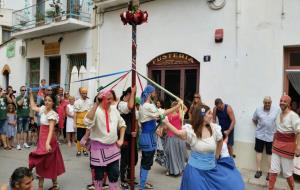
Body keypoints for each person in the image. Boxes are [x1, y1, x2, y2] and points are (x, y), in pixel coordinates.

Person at [163, 104, 244, 190]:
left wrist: (217, 155)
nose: (212, 115)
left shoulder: (214, 128)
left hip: (211, 170)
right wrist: (167, 123)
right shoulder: (191, 130)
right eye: (209, 113)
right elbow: (179, 133)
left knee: (232, 183)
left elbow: (220, 140)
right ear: (202, 116)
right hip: (194, 172)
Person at [138, 85, 181, 190]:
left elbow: (158, 115)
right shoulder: (147, 106)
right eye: (154, 92)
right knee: (146, 161)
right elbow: (161, 113)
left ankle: (142, 183)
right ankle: (142, 185)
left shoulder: (145, 105)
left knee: (146, 161)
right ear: (150, 93)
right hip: (148, 137)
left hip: (148, 136)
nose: (155, 94)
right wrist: (177, 107)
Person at [83, 90, 127, 190]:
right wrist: (96, 105)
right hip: (98, 150)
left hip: (113, 148)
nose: (110, 101)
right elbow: (87, 122)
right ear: (101, 99)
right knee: (98, 176)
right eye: (108, 99)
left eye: (112, 98)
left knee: (114, 174)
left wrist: (121, 139)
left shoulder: (114, 110)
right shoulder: (96, 110)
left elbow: (122, 124)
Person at [28, 90, 65, 190]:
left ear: (53, 103)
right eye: (46, 100)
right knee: (43, 162)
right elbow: (33, 107)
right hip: (42, 139)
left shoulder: (52, 114)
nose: (47, 102)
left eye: (49, 100)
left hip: (49, 140)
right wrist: (31, 95)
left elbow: (51, 130)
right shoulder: (43, 108)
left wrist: (47, 143)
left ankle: (54, 184)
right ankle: (44, 186)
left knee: (49, 162)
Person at [268, 95, 300, 190]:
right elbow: (276, 131)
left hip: (288, 147)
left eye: (284, 101)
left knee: (287, 173)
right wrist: (273, 143)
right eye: (281, 100)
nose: (282, 102)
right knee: (273, 170)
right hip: (276, 146)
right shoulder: (278, 115)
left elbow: (298, 131)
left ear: (289, 103)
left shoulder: (293, 116)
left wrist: (298, 147)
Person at [252, 96, 279, 180]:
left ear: (271, 102)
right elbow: (254, 119)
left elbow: (277, 121)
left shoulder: (276, 110)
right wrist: (259, 127)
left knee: (270, 154)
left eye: (269, 102)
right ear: (263, 102)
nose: (267, 104)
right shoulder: (258, 109)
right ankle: (258, 170)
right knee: (258, 152)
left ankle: (269, 172)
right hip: (260, 135)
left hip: (271, 136)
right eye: (266, 102)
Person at [117, 86, 138, 188]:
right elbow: (129, 107)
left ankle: (130, 177)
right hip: (124, 135)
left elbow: (136, 118)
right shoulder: (121, 104)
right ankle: (123, 179)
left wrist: (136, 131)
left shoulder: (132, 103)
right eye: (132, 95)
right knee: (125, 157)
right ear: (128, 95)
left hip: (131, 135)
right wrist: (133, 93)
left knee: (133, 157)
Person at [164, 101, 188, 176]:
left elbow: (185, 108)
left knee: (174, 153)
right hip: (171, 136)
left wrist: (180, 103)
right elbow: (185, 108)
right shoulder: (170, 115)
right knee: (172, 153)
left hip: (177, 136)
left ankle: (174, 170)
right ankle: (172, 170)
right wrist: (180, 104)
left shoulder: (179, 115)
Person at [74, 87, 93, 157]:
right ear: (80, 93)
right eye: (83, 93)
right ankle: (79, 150)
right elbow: (75, 113)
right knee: (79, 136)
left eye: (85, 93)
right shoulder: (77, 102)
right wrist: (74, 123)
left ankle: (84, 150)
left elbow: (91, 111)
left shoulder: (89, 101)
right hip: (79, 121)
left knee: (86, 136)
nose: (85, 94)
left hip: (87, 121)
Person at [16, 86, 31, 150]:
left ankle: (25, 143)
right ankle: (18, 144)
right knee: (19, 130)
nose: (24, 91)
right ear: (20, 91)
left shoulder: (28, 98)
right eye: (22, 90)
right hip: (20, 116)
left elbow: (31, 105)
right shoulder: (18, 97)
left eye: (25, 90)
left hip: (27, 116)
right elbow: (19, 104)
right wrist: (24, 96)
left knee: (26, 130)